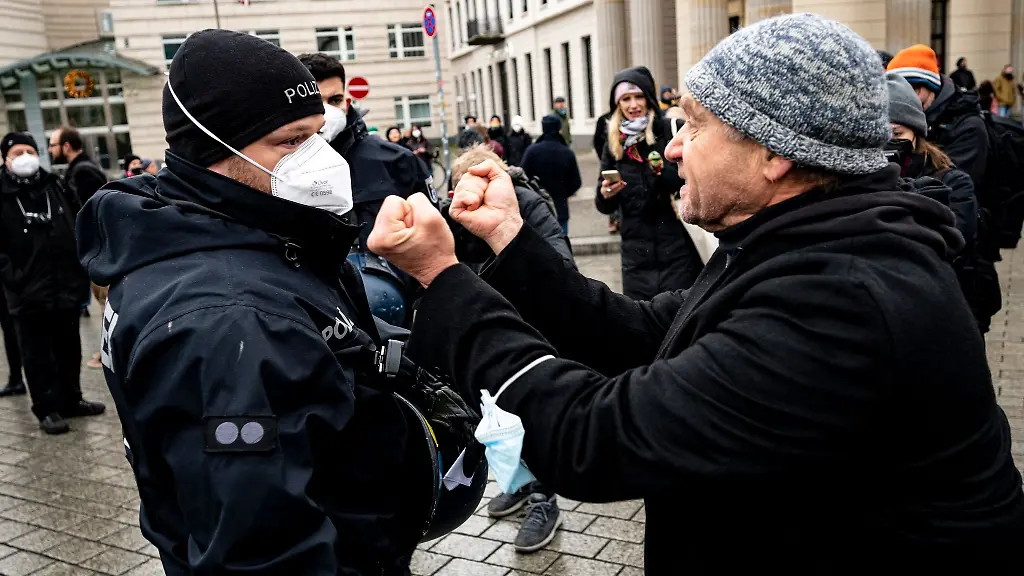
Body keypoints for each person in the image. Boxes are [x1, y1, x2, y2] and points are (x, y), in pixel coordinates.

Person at [366, 14, 1024, 572]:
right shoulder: (794, 243)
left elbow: (593, 439)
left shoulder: (847, 297)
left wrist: (445, 281)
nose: (673, 148)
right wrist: (512, 238)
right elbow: (641, 333)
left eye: (696, 125)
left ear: (775, 155)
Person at [79, 31, 480, 575]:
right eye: (292, 142)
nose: (319, 158)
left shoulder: (259, 234)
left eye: (318, 136)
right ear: (214, 149)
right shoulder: (227, 322)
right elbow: (259, 551)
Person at [0, 132, 105, 434]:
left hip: (64, 286)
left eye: (30, 150)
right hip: (27, 291)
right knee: (37, 354)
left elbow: (75, 219)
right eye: (18, 151)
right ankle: (46, 408)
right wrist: (14, 277)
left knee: (69, 347)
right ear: (6, 158)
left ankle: (71, 399)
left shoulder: (53, 184)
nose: (25, 157)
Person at [297, 52, 433, 279]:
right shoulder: (273, 167)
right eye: (315, 102)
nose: (326, 112)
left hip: (392, 297)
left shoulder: (396, 160)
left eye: (335, 100)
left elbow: (430, 236)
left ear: (347, 102)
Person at [885, 72, 998, 335]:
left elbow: (953, 242)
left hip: (943, 313)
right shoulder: (859, 179)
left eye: (896, 133)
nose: (886, 144)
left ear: (917, 132)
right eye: (876, 135)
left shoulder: (952, 181)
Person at [595, 66, 702, 299]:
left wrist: (660, 172)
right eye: (626, 99)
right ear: (618, 105)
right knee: (643, 324)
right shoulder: (613, 142)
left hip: (676, 247)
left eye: (638, 96)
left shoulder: (667, 132)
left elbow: (689, 179)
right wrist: (606, 193)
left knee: (681, 319)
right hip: (636, 256)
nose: (633, 105)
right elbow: (603, 206)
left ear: (648, 99)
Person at [887, 44, 989, 189]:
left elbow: (955, 187)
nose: (905, 98)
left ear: (931, 86)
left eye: (912, 89)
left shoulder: (969, 126)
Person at [520, 115, 581, 235]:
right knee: (562, 245)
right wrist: (563, 192)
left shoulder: (532, 152)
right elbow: (576, 182)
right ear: (559, 128)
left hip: (537, 209)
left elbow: (522, 177)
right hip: (561, 207)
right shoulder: (567, 152)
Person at [49, 126, 107, 208]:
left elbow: (90, 210)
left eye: (52, 145)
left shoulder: (83, 172)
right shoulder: (82, 167)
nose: (50, 150)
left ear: (66, 146)